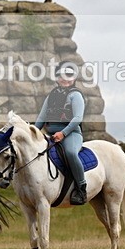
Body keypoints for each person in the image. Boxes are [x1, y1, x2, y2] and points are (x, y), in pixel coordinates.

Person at [34, 62, 87, 205]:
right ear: (57, 78)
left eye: (69, 75)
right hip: (51, 134)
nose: (65, 78)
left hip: (71, 134)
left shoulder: (75, 95)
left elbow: (77, 118)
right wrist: (31, 132)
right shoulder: (51, 96)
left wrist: (63, 134)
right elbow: (41, 118)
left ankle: (81, 188)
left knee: (70, 153)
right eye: (62, 75)